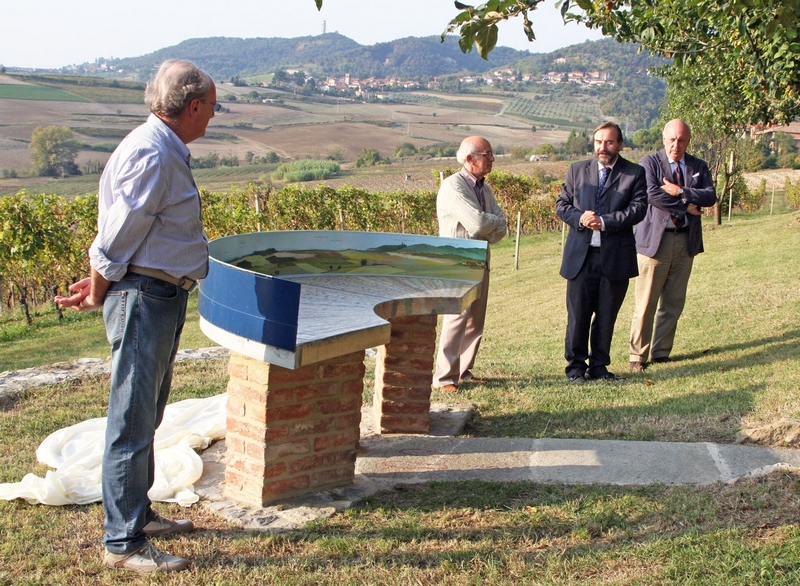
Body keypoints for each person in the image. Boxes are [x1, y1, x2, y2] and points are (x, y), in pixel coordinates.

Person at [55, 59, 217, 574]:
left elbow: (131, 231)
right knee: (131, 419)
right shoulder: (152, 153)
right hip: (144, 297)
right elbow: (121, 231)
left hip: (155, 293)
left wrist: (106, 276)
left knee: (147, 415)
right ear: (192, 107)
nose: (212, 118)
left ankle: (138, 514)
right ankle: (123, 542)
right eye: (211, 109)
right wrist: (103, 284)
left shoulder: (161, 147)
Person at [556, 122, 647, 383]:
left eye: (608, 142)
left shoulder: (635, 173)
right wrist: (580, 218)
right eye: (598, 142)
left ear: (619, 144)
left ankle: (599, 368)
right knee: (578, 316)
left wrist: (605, 222)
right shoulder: (576, 171)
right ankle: (575, 369)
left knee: (606, 316)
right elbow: (561, 205)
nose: (602, 147)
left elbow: (639, 209)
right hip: (580, 258)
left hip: (615, 256)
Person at [628, 119, 717, 371]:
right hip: (655, 243)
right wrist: (686, 206)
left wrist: (680, 192)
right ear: (663, 139)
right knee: (646, 303)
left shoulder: (698, 165)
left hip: (685, 241)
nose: (676, 145)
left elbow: (710, 196)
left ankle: (661, 353)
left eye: (681, 140)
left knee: (674, 302)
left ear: (688, 141)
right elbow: (651, 194)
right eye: (672, 139)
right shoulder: (649, 163)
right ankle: (637, 357)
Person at [433, 136, 507, 392]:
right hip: (458, 263)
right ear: (469, 159)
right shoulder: (453, 187)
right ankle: (444, 378)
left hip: (480, 260)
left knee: (476, 320)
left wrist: (491, 223)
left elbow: (501, 229)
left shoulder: (484, 188)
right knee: (456, 318)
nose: (492, 159)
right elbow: (476, 225)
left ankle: (463, 372)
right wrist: (492, 222)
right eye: (487, 154)